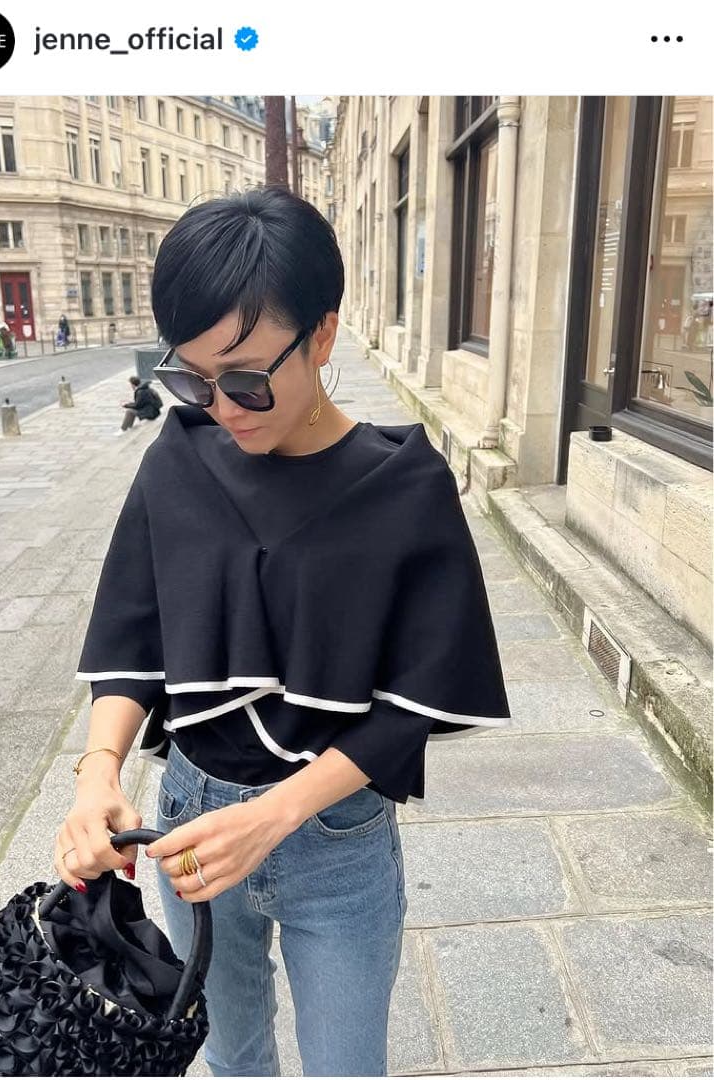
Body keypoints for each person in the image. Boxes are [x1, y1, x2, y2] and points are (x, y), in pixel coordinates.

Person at [58, 187, 511, 1076]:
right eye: (192, 378)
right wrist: (97, 774)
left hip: (333, 836)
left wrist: (275, 815)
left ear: (325, 335)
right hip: (187, 824)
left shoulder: (404, 488)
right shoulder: (179, 459)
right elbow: (135, 638)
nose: (223, 406)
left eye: (246, 377)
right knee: (231, 1057)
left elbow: (415, 702)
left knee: (346, 1067)